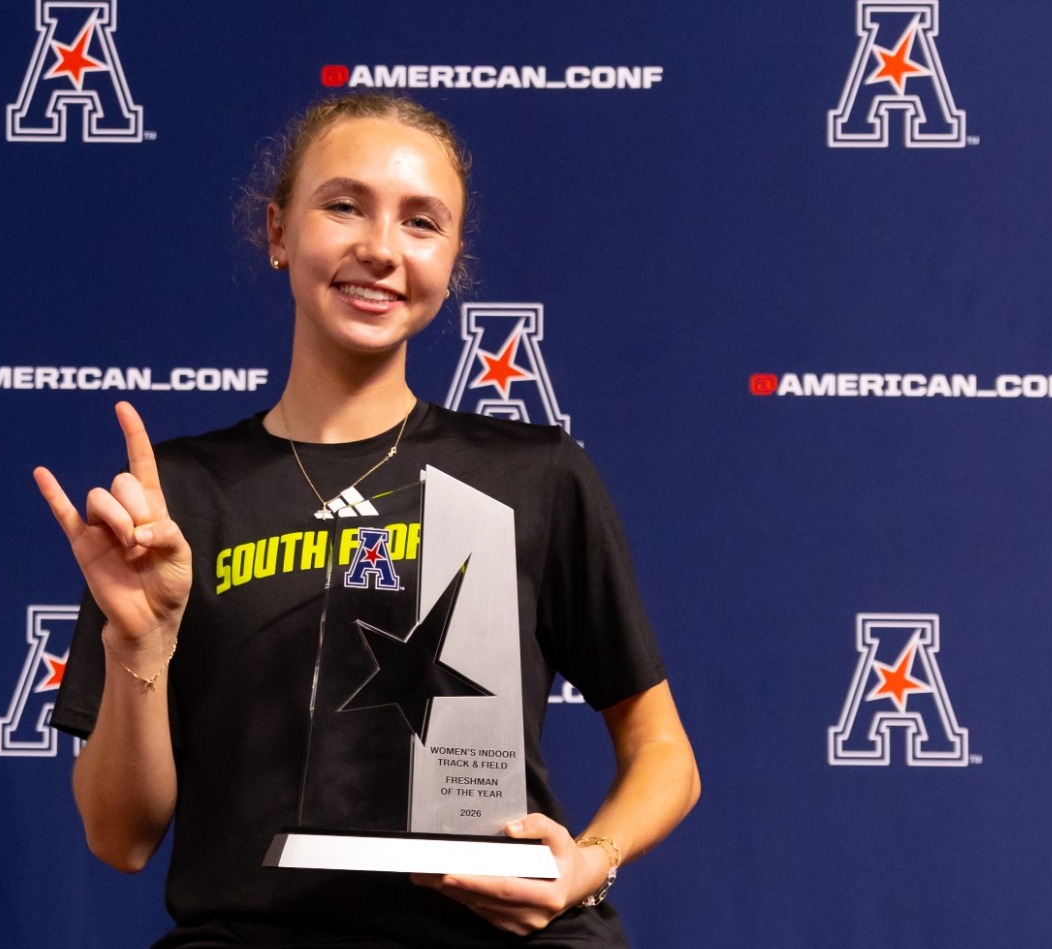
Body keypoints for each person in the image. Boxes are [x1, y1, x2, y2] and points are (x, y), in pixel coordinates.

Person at [34, 93, 700, 947]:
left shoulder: (535, 474)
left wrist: (588, 862)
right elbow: (118, 838)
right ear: (278, 233)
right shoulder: (177, 500)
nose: (380, 249)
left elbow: (664, 753)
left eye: (421, 222)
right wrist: (140, 645)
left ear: (453, 260)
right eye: (343, 205)